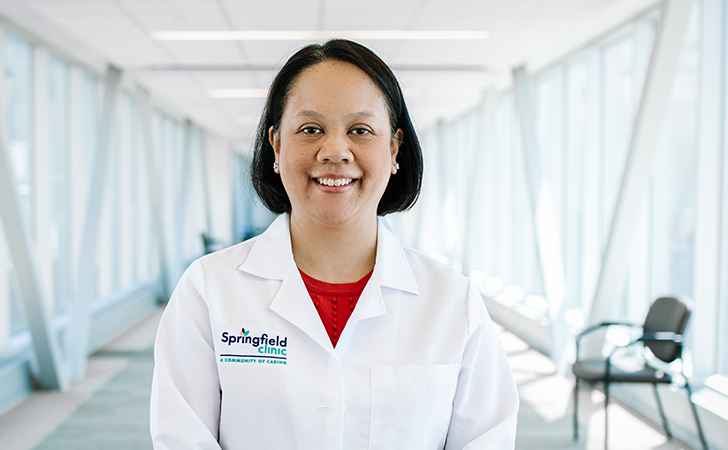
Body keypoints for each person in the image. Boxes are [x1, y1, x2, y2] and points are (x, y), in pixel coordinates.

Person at [150, 39, 519, 450]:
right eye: (311, 130)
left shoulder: (453, 301)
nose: (335, 151)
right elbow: (182, 439)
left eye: (360, 130)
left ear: (395, 148)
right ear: (275, 145)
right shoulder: (208, 290)